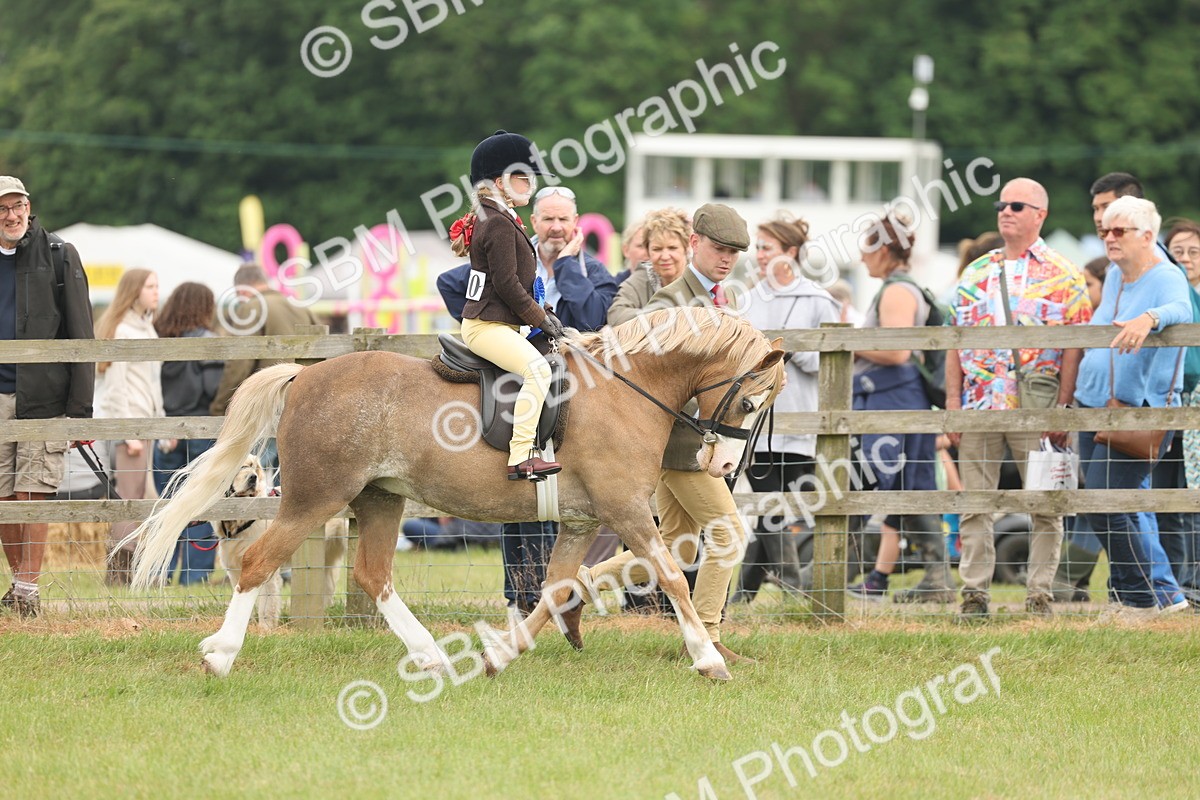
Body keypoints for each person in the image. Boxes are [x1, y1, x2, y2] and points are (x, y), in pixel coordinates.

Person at [577, 203, 756, 663]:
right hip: (680, 444)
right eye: (719, 248)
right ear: (694, 243)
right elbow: (643, 382)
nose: (726, 259)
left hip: (698, 441)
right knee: (729, 535)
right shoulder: (668, 305)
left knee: (674, 545)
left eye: (734, 252)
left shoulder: (726, 299)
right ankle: (707, 635)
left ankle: (578, 586)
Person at [438, 179, 611, 616]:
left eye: (563, 219)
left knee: (558, 498)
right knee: (519, 495)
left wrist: (568, 270)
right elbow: (450, 283)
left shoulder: (593, 271)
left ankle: (546, 594)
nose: (555, 226)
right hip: (521, 368)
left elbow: (592, 316)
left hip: (574, 385)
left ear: (576, 223)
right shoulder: (509, 242)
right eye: (548, 218)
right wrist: (499, 323)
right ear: (534, 219)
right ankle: (520, 597)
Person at [947, 178, 1091, 621]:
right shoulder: (975, 272)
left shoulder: (1065, 274)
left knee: (1045, 504)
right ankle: (974, 595)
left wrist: (1064, 406)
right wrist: (952, 401)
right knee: (975, 502)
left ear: (1039, 215)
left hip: (1037, 406)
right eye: (1001, 204)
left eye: (1016, 205)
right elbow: (954, 339)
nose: (1005, 211)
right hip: (979, 404)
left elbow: (1075, 346)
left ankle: (1040, 595)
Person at [1074, 196, 1192, 623]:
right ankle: (1137, 595)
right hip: (1094, 404)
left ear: (1147, 235)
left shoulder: (1165, 276)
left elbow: (1182, 308)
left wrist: (1150, 317)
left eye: (1118, 230)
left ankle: (1141, 600)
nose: (1108, 237)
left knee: (1110, 500)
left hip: (1138, 409)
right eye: (1105, 229)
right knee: (1102, 504)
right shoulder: (1113, 277)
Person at [731, 215, 839, 604]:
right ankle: (793, 587)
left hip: (799, 420)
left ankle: (746, 593)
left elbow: (828, 362)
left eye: (766, 248)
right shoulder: (748, 298)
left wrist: (786, 351)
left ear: (790, 253)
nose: (758, 256)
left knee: (776, 510)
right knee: (768, 505)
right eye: (757, 248)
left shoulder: (818, 300)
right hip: (755, 423)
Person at [0, 176, 94, 618]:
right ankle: (18, 585)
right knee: (2, 496)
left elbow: (82, 335)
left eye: (17, 206)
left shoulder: (58, 255)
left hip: (44, 396)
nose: (11, 215)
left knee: (32, 491)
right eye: (2, 209)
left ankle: (28, 591)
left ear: (29, 207)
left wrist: (80, 411)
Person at [447, 130, 562, 482]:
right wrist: (539, 318)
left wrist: (545, 314)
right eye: (521, 177)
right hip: (487, 326)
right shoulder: (496, 223)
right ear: (499, 182)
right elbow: (507, 285)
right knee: (538, 371)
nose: (529, 184)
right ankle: (521, 455)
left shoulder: (498, 217)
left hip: (498, 323)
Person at [844, 212, 948, 602]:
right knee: (908, 486)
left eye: (867, 248)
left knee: (866, 483)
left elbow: (897, 349)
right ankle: (935, 578)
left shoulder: (897, 292)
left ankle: (828, 572)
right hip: (899, 399)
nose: (862, 257)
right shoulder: (898, 288)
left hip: (894, 400)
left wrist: (847, 344)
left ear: (885, 249)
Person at [209, 262, 320, 478]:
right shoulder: (300, 308)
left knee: (253, 469)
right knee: (290, 477)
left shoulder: (251, 308)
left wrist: (221, 405)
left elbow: (239, 363)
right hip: (306, 402)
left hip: (269, 403)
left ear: (242, 290)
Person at [95, 268, 163, 586]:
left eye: (157, 286)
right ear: (134, 291)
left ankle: (137, 571)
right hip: (131, 424)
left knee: (144, 496)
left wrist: (161, 423)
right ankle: (120, 573)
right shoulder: (123, 330)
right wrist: (127, 432)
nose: (156, 291)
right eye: (150, 286)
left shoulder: (147, 327)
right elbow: (115, 387)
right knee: (129, 498)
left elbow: (153, 381)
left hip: (147, 423)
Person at [153, 282, 224, 585]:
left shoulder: (158, 338)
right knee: (202, 505)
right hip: (201, 430)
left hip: (166, 432)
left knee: (168, 506)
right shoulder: (210, 341)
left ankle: (161, 573)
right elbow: (213, 388)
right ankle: (195, 577)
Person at [1162, 218, 1200, 602]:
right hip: (1168, 404)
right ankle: (1177, 583)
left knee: (1194, 496)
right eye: (1178, 251)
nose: (1186, 258)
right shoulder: (1165, 294)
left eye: (1194, 251)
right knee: (1168, 497)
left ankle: (1195, 583)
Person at [607, 208, 691, 326]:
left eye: (672, 248)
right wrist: (661, 316)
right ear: (648, 251)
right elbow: (616, 315)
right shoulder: (642, 276)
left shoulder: (700, 276)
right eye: (657, 249)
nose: (665, 256)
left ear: (686, 247)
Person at [613, 217, 647, 284]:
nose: (647, 252)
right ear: (626, 250)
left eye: (655, 248)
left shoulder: (668, 285)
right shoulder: (613, 288)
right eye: (640, 246)